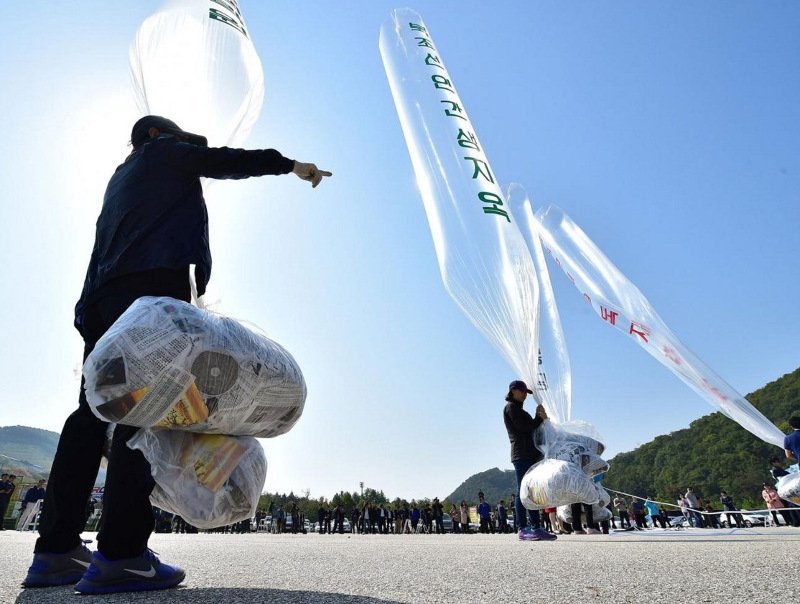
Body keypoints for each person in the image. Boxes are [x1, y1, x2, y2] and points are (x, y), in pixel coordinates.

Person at [23, 116, 331, 593]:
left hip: (103, 300)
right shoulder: (161, 151)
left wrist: (88, 318)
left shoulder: (119, 178)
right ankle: (123, 555)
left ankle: (55, 551)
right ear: (154, 134)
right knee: (146, 413)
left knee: (90, 414)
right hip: (152, 290)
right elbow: (225, 161)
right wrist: (291, 165)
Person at [503, 380, 556, 541]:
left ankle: (536, 526)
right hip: (521, 455)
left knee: (533, 491)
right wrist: (538, 418)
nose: (525, 394)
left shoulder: (519, 409)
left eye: (527, 392)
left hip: (530, 454)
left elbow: (530, 427)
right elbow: (525, 428)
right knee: (523, 491)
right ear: (513, 390)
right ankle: (523, 528)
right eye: (523, 391)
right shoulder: (511, 408)